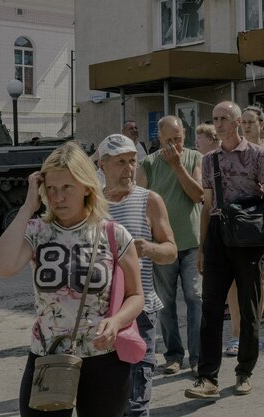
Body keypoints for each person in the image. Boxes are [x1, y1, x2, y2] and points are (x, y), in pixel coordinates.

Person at [0, 141, 144, 417]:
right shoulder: (37, 231)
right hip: (48, 355)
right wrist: (27, 207)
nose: (58, 197)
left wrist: (117, 321)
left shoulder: (114, 234)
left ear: (86, 186)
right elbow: (0, 268)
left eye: (67, 188)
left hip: (103, 358)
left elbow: (136, 296)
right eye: (51, 189)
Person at [185, 101, 264, 398]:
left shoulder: (258, 155)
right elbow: (207, 205)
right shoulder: (210, 159)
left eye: (224, 118)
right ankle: (207, 378)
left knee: (249, 309)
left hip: (249, 237)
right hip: (217, 236)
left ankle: (244, 371)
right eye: (215, 119)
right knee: (211, 309)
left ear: (238, 122)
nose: (219, 123)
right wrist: (202, 248)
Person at [98, 134, 178, 416]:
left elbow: (171, 250)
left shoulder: (149, 200)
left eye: (132, 162)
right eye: (120, 162)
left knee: (137, 396)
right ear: (102, 165)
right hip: (100, 310)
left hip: (140, 308)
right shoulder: (93, 204)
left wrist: (150, 249)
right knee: (104, 391)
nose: (129, 169)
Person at [138, 115, 205, 375]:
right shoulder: (149, 163)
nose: (174, 146)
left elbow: (198, 195)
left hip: (191, 243)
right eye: (169, 141)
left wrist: (178, 166)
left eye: (178, 140)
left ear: (184, 136)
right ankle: (174, 355)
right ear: (159, 138)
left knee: (195, 298)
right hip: (162, 246)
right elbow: (139, 202)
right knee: (165, 303)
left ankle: (198, 357)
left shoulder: (194, 157)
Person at [221, 105, 264, 356]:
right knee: (234, 282)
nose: (246, 126)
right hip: (236, 222)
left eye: (250, 122)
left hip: (260, 218)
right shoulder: (231, 149)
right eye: (243, 122)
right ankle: (236, 333)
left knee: (258, 279)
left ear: (261, 124)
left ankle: (253, 331)